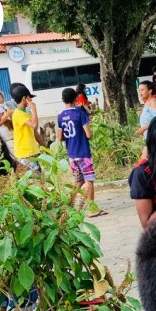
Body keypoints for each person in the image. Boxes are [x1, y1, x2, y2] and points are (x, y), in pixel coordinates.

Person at [57, 88, 107, 218]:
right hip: (83, 152)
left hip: (71, 155)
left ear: (63, 100)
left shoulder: (60, 116)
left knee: (78, 181)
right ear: (75, 99)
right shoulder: (80, 114)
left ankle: (68, 205)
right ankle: (91, 209)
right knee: (89, 180)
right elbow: (88, 134)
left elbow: (59, 137)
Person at [10, 84, 42, 172]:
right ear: (24, 98)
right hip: (26, 152)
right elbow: (34, 125)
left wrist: (43, 146)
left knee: (38, 177)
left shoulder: (25, 113)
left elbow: (34, 130)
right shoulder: (18, 114)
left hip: (30, 151)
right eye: (29, 98)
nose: (31, 100)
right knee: (36, 178)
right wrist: (34, 109)